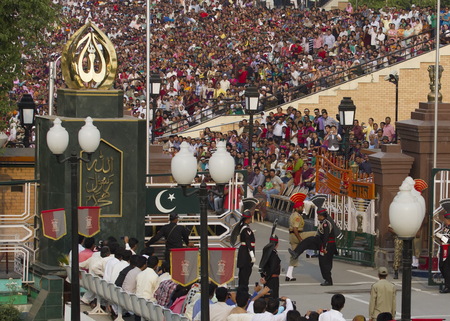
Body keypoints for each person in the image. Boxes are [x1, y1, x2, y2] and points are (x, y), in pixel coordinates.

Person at [288, 195, 339, 286]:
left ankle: (328, 280)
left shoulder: (326, 224)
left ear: (321, 215)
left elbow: (326, 236)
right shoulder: (323, 222)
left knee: (324, 263)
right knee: (308, 240)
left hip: (327, 244)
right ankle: (296, 252)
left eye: (318, 215)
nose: (317, 217)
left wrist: (325, 247)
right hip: (321, 241)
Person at [286, 189, 316, 281]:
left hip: (291, 236)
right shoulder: (297, 217)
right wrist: (300, 239)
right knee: (314, 233)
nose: (302, 209)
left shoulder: (292, 215)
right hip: (296, 235)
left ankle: (289, 275)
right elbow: (295, 228)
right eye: (302, 207)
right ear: (297, 208)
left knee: (295, 254)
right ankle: (311, 252)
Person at [236, 208, 256, 289]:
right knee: (245, 274)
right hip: (246, 254)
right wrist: (252, 255)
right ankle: (244, 291)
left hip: (242, 252)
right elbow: (248, 242)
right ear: (247, 219)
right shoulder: (246, 229)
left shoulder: (243, 227)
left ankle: (242, 289)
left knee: (242, 274)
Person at [259, 227, 281, 298]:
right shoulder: (274, 254)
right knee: (273, 299)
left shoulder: (266, 252)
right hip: (272, 280)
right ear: (277, 244)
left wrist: (263, 276)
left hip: (266, 278)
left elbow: (262, 264)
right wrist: (266, 278)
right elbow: (272, 268)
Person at [436, 200, 450, 293]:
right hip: (443, 248)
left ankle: (447, 286)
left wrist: (442, 237)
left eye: (445, 219)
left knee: (446, 268)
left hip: (449, 250)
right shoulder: (445, 228)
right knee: (442, 266)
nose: (444, 221)